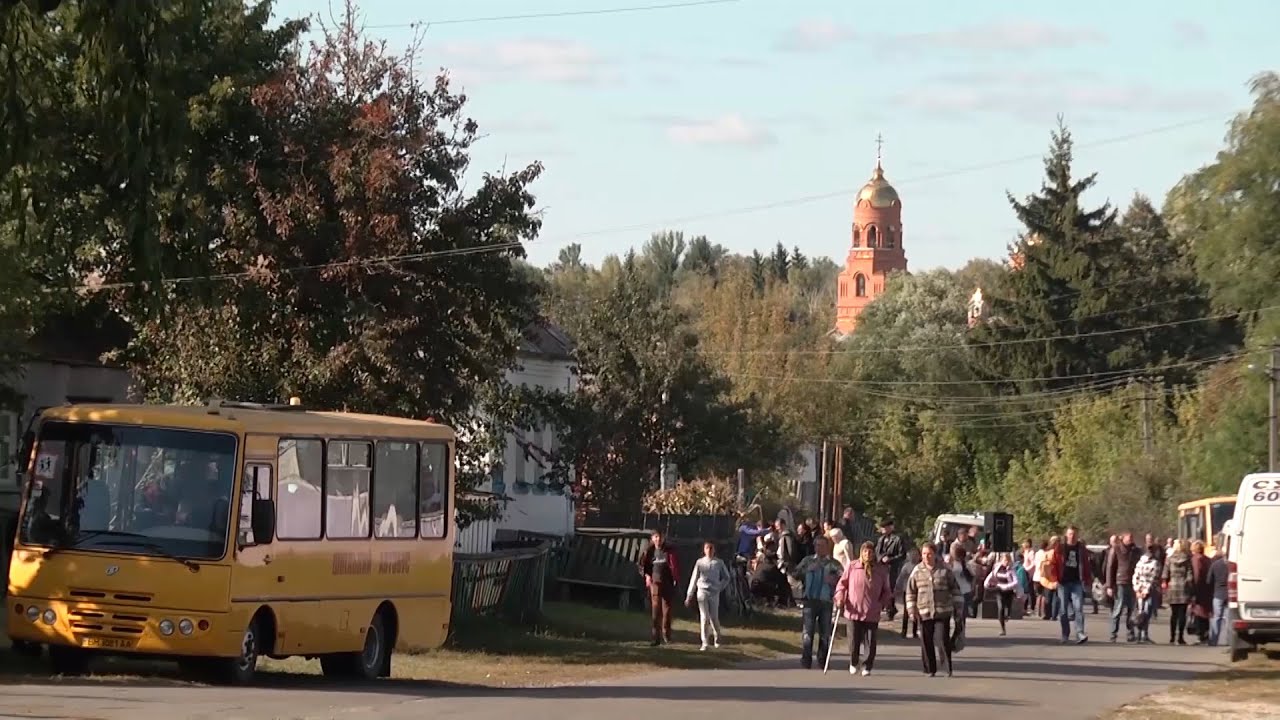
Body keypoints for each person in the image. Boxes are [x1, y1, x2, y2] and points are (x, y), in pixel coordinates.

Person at [834, 541, 892, 676]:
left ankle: (867, 665)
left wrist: (882, 603)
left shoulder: (881, 570)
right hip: (853, 610)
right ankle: (854, 662)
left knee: (870, 642)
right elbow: (841, 585)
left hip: (872, 610)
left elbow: (887, 591)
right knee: (853, 640)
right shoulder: (853, 567)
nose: (868, 554)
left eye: (870, 551)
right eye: (865, 551)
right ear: (861, 552)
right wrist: (840, 598)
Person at [906, 543, 963, 678]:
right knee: (926, 641)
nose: (926, 556)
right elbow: (910, 592)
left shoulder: (945, 570)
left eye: (929, 553)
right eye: (924, 554)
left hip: (942, 610)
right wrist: (911, 610)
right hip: (924, 611)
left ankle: (947, 668)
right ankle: (929, 669)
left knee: (942, 639)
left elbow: (955, 589)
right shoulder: (917, 570)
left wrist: (959, 608)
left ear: (935, 554)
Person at [790, 536, 843, 669]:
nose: (819, 548)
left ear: (827, 547)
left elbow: (844, 580)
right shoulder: (808, 561)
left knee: (825, 633)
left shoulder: (833, 564)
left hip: (826, 601)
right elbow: (795, 574)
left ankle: (823, 659)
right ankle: (806, 659)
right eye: (817, 545)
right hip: (809, 600)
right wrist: (807, 570)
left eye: (822, 545)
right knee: (808, 632)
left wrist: (834, 581)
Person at [638, 530, 681, 646]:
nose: (658, 539)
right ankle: (655, 638)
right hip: (655, 583)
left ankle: (666, 635)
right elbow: (642, 566)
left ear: (664, 538)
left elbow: (675, 566)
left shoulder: (669, 551)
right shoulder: (649, 551)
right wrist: (647, 576)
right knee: (656, 610)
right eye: (656, 537)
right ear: (652, 538)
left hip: (668, 583)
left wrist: (676, 579)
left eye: (660, 537)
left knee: (667, 611)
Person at [686, 541, 730, 651]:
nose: (709, 550)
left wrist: (720, 587)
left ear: (714, 550)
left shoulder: (718, 562)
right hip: (702, 591)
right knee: (704, 617)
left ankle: (717, 639)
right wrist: (689, 594)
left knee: (714, 618)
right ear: (704, 550)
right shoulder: (700, 563)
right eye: (707, 548)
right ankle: (704, 642)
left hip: (714, 592)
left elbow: (727, 577)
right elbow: (694, 578)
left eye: (711, 548)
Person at [1054, 525, 1091, 644]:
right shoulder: (1060, 548)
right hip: (1063, 582)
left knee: (1078, 607)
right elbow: (1053, 563)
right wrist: (1054, 579)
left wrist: (1087, 580)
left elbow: (1086, 565)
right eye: (1070, 534)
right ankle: (1065, 634)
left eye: (1074, 534)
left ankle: (1080, 633)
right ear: (1066, 535)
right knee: (1063, 610)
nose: (1072, 536)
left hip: (1077, 581)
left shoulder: (1081, 549)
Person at [1105, 532, 1140, 642]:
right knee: (1118, 608)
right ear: (1123, 538)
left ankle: (1130, 633)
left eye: (1132, 538)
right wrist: (1109, 585)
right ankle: (1113, 633)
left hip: (1132, 582)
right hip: (1120, 581)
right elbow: (1110, 567)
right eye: (1128, 538)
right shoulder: (1116, 549)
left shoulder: (1135, 551)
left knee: (1131, 609)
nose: (1130, 540)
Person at [1161, 538, 1193, 645]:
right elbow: (1190, 574)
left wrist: (1165, 582)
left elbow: (1165, 573)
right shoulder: (1187, 559)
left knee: (1174, 614)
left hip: (1173, 587)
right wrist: (1188, 583)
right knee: (1182, 614)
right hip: (1183, 587)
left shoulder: (1169, 559)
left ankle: (1172, 637)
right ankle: (1180, 637)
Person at [875, 518, 907, 620]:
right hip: (882, 567)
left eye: (885, 527)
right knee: (881, 587)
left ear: (890, 527)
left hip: (893, 568)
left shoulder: (898, 539)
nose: (883, 530)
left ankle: (891, 609)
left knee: (891, 588)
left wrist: (890, 559)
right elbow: (877, 552)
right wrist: (881, 558)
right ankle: (885, 607)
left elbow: (902, 555)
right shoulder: (881, 539)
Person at [946, 544, 974, 650]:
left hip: (963, 591)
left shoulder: (964, 564)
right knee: (951, 616)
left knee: (960, 617)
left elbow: (972, 576)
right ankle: (951, 637)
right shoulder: (949, 563)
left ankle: (956, 638)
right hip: (952, 592)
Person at [985, 553, 1020, 636]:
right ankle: (1003, 629)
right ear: (1001, 561)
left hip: (1009, 592)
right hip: (999, 591)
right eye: (1005, 560)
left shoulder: (1011, 570)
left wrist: (1007, 587)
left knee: (1007, 608)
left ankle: (1007, 615)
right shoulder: (997, 569)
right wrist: (987, 585)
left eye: (1008, 560)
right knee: (1001, 608)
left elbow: (1016, 582)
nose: (1006, 562)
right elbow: (990, 577)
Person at [1132, 545, 1161, 643]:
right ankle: (1144, 635)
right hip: (1148, 590)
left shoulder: (1140, 562)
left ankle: (1139, 635)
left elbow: (1135, 576)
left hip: (1140, 589)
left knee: (1140, 612)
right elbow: (1153, 578)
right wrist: (1145, 591)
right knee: (1146, 613)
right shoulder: (1155, 563)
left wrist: (1137, 589)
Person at [1189, 540, 1213, 643]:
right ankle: (1206, 633)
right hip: (1207, 588)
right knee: (1205, 612)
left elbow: (1196, 574)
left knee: (1199, 611)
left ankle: (1201, 635)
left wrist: (1193, 588)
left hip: (1199, 588)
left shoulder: (1196, 559)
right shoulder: (1208, 559)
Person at [1205, 547, 1230, 646]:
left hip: (1218, 593)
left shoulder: (1215, 564)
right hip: (1230, 594)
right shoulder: (1232, 565)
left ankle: (1214, 640)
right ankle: (1229, 641)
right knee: (1228, 618)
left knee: (1217, 617)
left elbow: (1209, 580)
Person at [896, 548, 921, 638]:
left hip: (918, 590)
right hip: (907, 590)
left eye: (916, 555)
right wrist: (897, 588)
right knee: (906, 612)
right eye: (912, 555)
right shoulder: (906, 566)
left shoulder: (921, 566)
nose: (914, 557)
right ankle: (904, 630)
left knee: (917, 611)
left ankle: (915, 631)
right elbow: (901, 578)